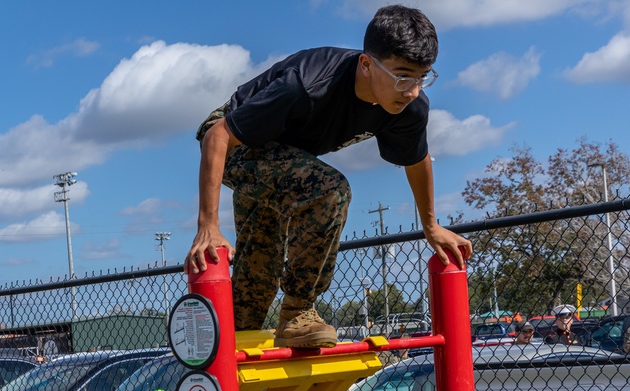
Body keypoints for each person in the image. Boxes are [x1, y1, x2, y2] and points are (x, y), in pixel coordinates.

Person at [186, 5, 471, 348]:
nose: (410, 90)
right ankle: (298, 311)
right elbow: (218, 135)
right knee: (329, 190)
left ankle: (230, 349)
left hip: (284, 158)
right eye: (402, 75)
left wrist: (431, 226)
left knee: (259, 273)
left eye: (422, 77)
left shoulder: (409, 107)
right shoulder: (307, 85)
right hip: (234, 144)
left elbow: (417, 159)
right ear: (367, 64)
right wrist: (208, 225)